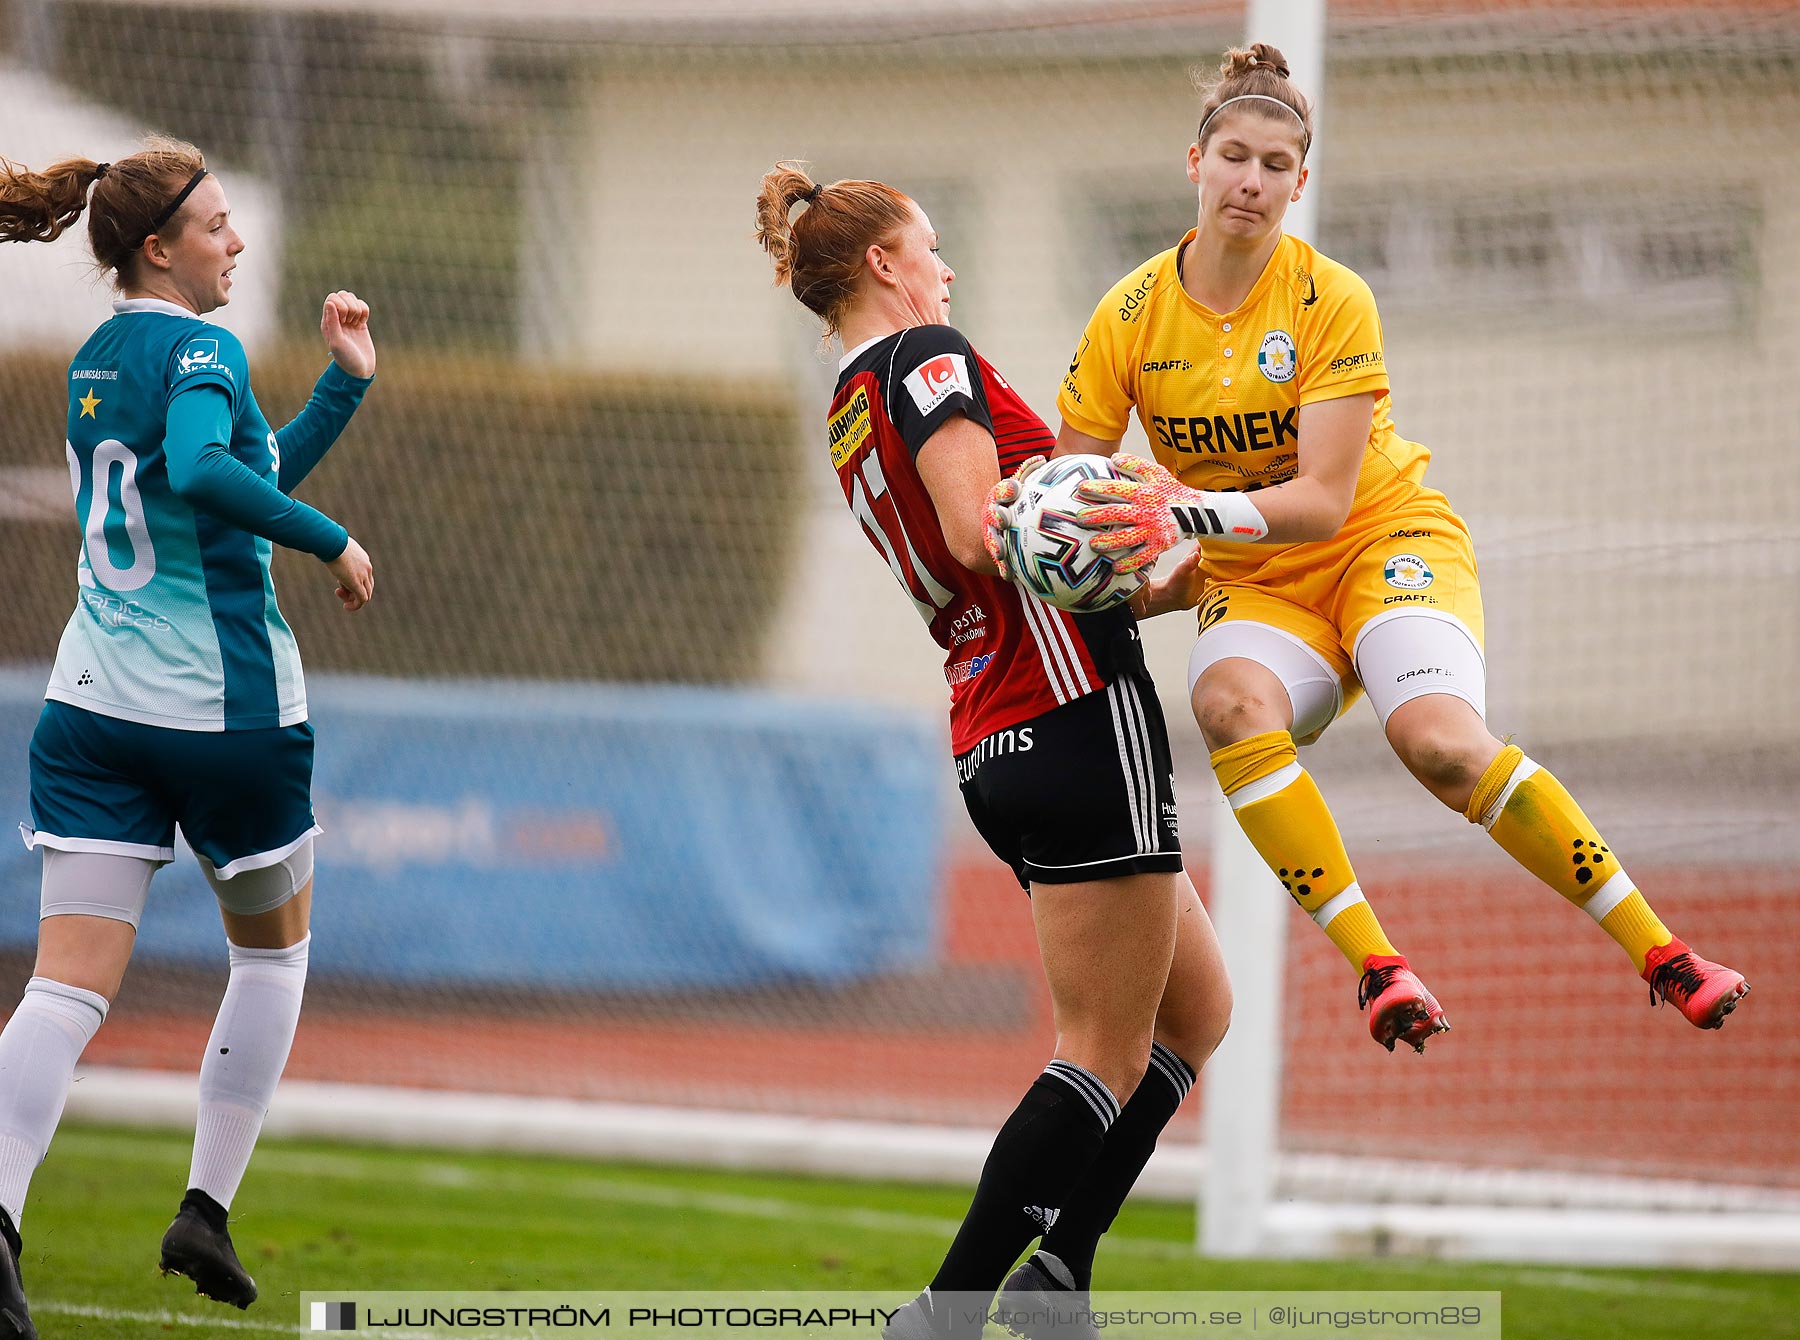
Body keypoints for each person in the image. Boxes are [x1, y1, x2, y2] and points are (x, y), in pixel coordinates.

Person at [1039, 44, 1748, 1053]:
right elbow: (1083, 501)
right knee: (1228, 703)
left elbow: (1324, 502)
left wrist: (1180, 513)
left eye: (1276, 164)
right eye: (1233, 156)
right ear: (1192, 163)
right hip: (1257, 583)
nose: (1251, 180)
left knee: (1442, 745)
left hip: (1385, 539)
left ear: (1302, 180)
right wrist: (1073, 553)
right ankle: (1381, 967)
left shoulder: (1332, 299)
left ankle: (1662, 951)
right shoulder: (1129, 313)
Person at [755, 162, 1231, 1338]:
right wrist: (1127, 507)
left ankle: (1059, 1273)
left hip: (996, 725)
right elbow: (986, 535)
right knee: (1104, 1048)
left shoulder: (850, 402)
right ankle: (949, 1307)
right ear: (884, 264)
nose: (947, 267)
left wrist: (1153, 562)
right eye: (933, 246)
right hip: (1072, 708)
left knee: (1197, 1009)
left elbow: (1019, 549)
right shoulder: (927, 358)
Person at [0, 138, 376, 1336]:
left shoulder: (99, 355)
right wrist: (332, 538)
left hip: (94, 710)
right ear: (159, 245)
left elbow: (218, 476)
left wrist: (339, 389)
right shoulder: (205, 346)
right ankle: (205, 1206)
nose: (238, 241)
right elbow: (218, 473)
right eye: (217, 224)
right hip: (227, 718)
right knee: (271, 960)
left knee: (63, 991)